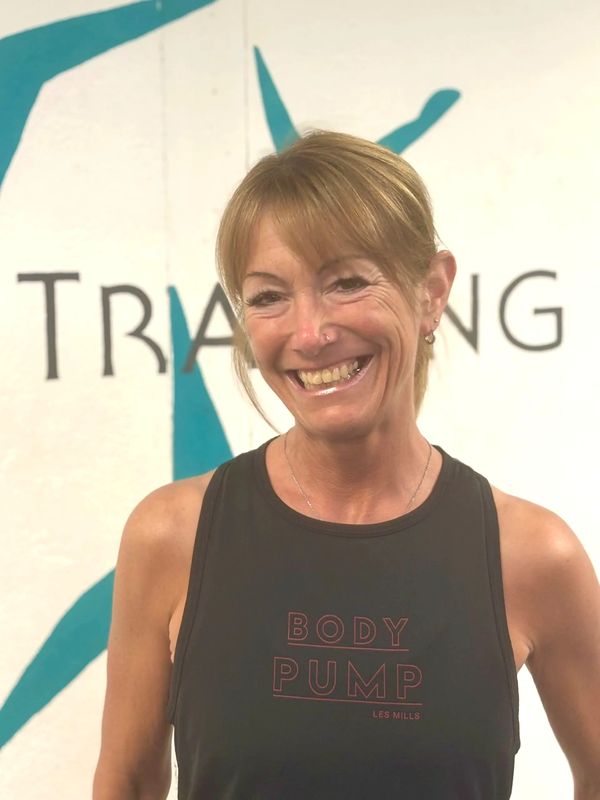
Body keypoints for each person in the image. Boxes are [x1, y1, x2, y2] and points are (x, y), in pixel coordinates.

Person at [93, 131, 600, 799]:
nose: (309, 333)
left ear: (431, 291)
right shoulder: (172, 536)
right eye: (269, 296)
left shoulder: (532, 555)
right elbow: (127, 781)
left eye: (348, 283)